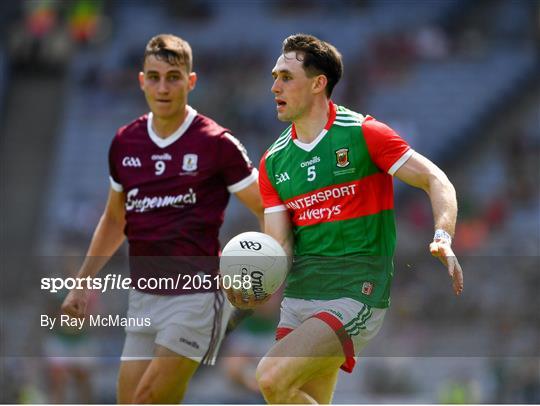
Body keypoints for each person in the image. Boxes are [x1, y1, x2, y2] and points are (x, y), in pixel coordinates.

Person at [230, 33, 464, 404]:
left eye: (286, 77)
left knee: (270, 377)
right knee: (289, 394)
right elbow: (279, 245)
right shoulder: (273, 162)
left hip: (355, 292)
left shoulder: (365, 134)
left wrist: (443, 234)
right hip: (300, 298)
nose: (274, 85)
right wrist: (251, 277)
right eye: (274, 76)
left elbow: (436, 179)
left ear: (319, 83)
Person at [61, 33, 263, 404]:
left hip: (196, 297)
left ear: (191, 81)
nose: (163, 86)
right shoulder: (125, 142)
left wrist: (274, 267)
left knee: (149, 397)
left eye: (173, 76)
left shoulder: (217, 143)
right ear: (142, 81)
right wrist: (82, 283)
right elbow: (113, 218)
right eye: (154, 77)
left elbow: (268, 208)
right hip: (143, 299)